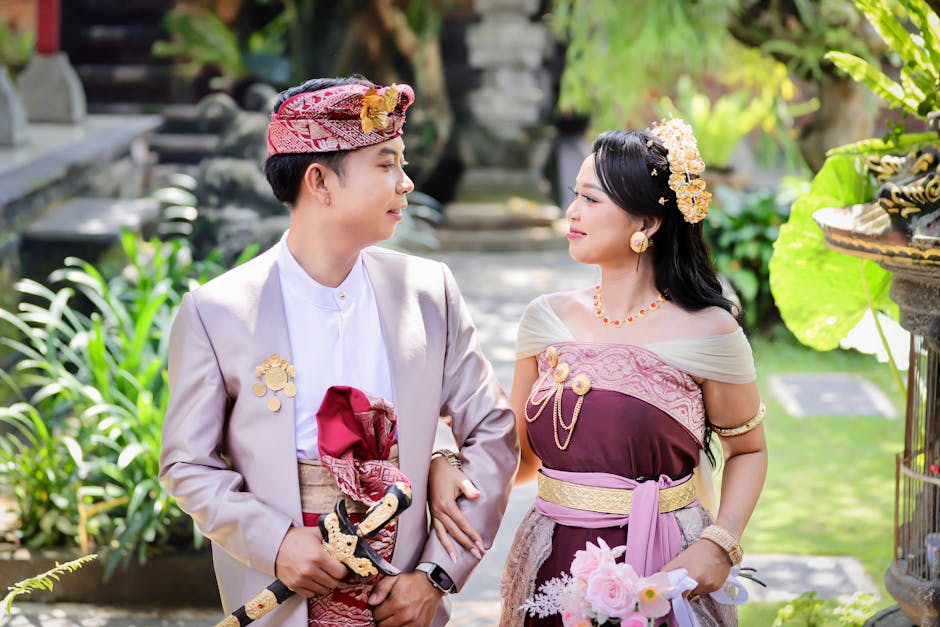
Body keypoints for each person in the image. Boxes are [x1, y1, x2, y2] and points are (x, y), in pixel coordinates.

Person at [159, 75, 518, 627]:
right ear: (320, 181)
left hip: (404, 600)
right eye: (386, 163)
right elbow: (187, 463)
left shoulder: (429, 292)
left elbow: (493, 430)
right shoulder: (218, 310)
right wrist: (276, 543)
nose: (406, 183)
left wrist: (436, 575)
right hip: (283, 593)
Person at [430, 119, 767, 626]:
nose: (572, 212)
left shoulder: (709, 332)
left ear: (647, 224)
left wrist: (720, 543)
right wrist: (447, 462)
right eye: (575, 195)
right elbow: (518, 459)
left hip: (664, 567)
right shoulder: (545, 318)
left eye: (592, 199)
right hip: (551, 560)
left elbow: (749, 449)